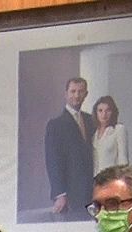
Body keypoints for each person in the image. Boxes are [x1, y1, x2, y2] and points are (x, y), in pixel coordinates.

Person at [43, 77, 96, 221]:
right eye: (73, 91)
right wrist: (60, 194)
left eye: (80, 91)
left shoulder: (92, 120)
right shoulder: (55, 125)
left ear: (86, 94)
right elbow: (52, 161)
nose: (77, 95)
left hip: (93, 192)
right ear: (66, 94)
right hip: (71, 194)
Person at [91, 96, 127, 172]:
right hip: (95, 179)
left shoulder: (118, 129)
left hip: (111, 178)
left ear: (113, 112)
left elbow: (123, 159)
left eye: (108, 110)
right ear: (96, 112)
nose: (104, 114)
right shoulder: (93, 133)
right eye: (100, 111)